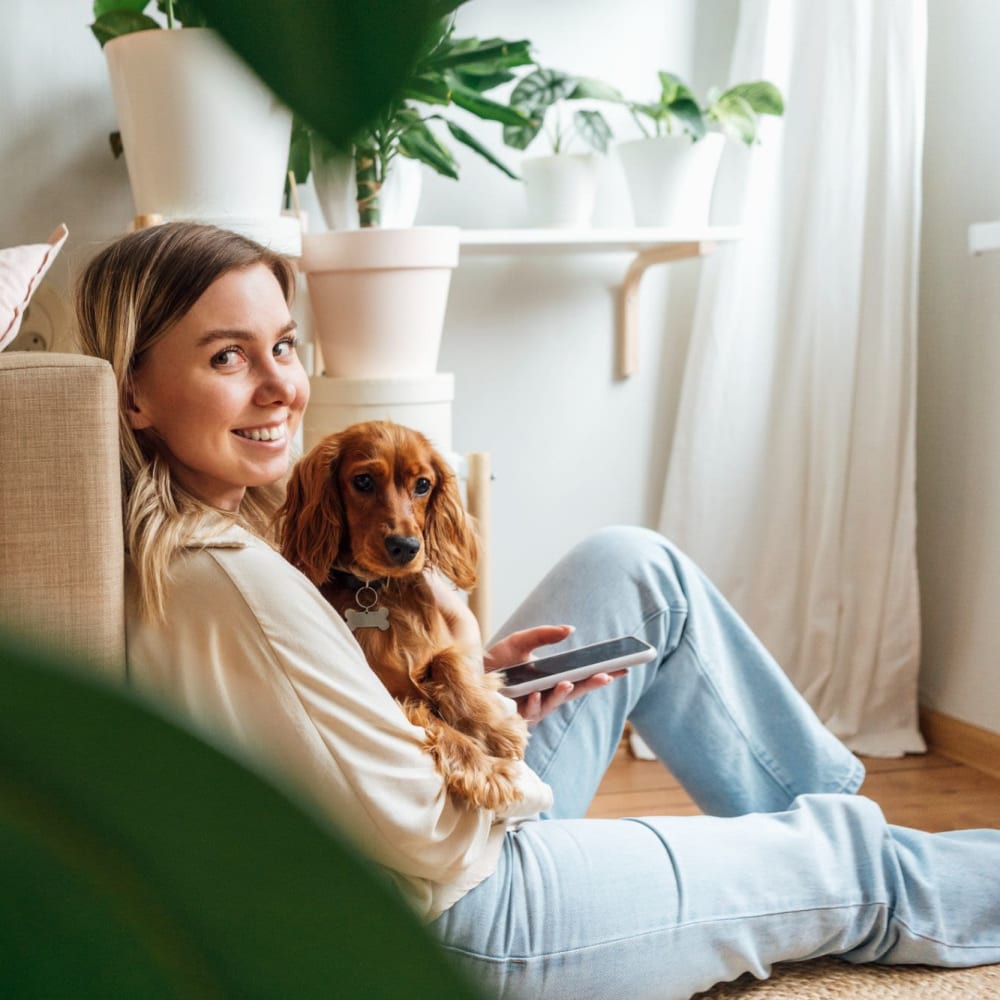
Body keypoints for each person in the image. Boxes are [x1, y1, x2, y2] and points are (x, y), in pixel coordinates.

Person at [76, 221, 1000, 1000]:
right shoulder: (238, 581)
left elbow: (331, 742)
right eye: (227, 357)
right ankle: (870, 863)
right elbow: (428, 832)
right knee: (834, 860)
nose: (279, 386)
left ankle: (842, 836)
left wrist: (476, 692)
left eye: (282, 345)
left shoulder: (207, 539)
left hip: (413, 855)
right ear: (134, 394)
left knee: (634, 569)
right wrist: (507, 744)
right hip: (460, 919)